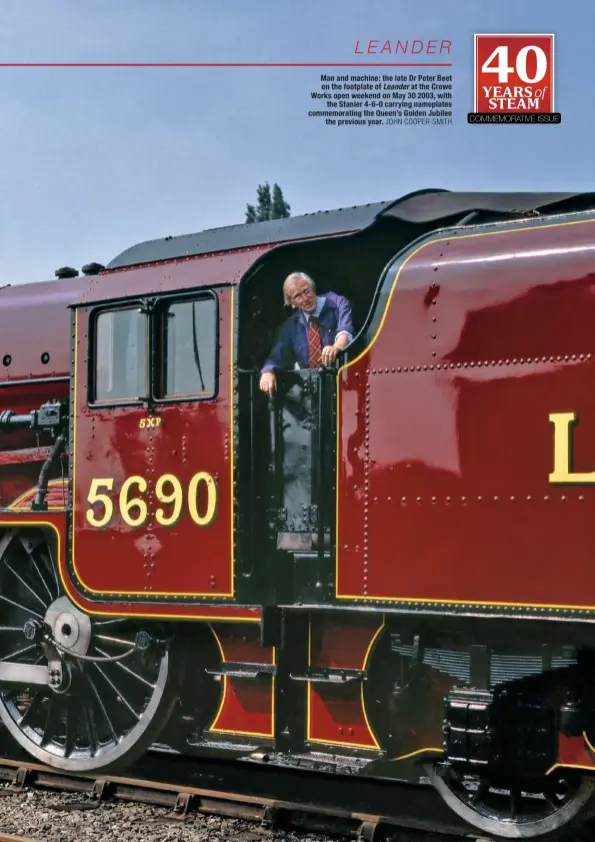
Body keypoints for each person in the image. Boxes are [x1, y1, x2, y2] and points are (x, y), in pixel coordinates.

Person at [259, 272, 353, 396]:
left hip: (345, 384)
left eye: (306, 291)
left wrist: (336, 347)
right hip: (312, 393)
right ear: (292, 303)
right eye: (298, 296)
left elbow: (345, 332)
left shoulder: (337, 302)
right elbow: (277, 355)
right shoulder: (290, 326)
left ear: (313, 288)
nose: (305, 299)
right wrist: (267, 372)